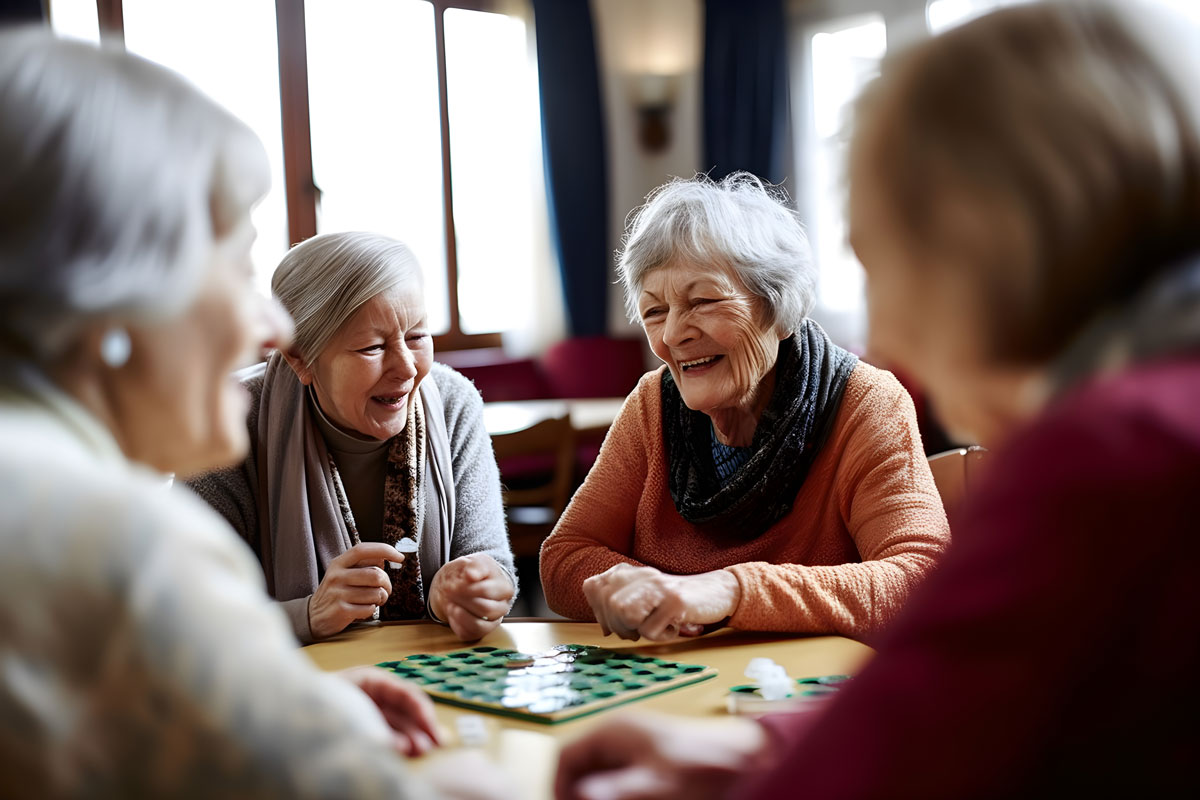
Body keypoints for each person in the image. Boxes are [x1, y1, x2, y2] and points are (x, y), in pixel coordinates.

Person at [553, 2, 1200, 797]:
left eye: (886, 260)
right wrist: (760, 750)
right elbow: (968, 708)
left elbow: (915, 724)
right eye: (654, 311)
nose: (888, 329)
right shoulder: (1156, 417)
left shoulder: (1119, 451)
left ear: (989, 241)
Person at [0, 28, 502, 796]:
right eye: (237, 270)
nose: (270, 331)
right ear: (117, 292)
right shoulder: (122, 543)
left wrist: (282, 705)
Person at [539, 172, 950, 642]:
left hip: (801, 695)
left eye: (704, 301)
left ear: (778, 309)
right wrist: (657, 592)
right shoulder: (652, 405)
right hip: (671, 681)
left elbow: (921, 580)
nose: (673, 334)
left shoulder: (864, 403)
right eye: (655, 311)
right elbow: (565, 556)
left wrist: (730, 590)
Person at [188, 231, 516, 644]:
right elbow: (183, 612)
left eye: (417, 336)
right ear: (300, 359)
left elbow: (493, 564)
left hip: (439, 675)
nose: (407, 369)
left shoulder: (453, 403)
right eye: (372, 348)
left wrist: (469, 592)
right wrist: (307, 614)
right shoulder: (230, 418)